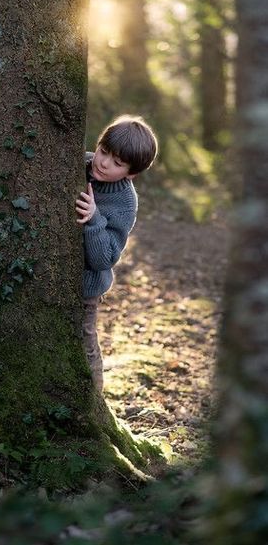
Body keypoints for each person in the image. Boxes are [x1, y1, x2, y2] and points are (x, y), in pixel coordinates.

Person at [75, 115, 158, 393]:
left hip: (86, 288)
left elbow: (104, 259)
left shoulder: (125, 202)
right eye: (103, 151)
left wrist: (94, 219)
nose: (103, 162)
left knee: (85, 342)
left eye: (117, 163)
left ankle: (94, 400)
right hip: (53, 281)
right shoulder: (80, 164)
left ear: (131, 173)